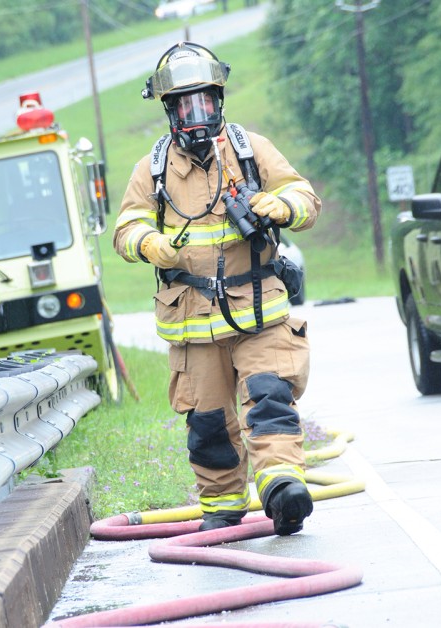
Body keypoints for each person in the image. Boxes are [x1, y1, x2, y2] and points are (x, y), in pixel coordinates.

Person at [113, 42, 321, 535]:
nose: (196, 113)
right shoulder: (153, 169)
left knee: (269, 400)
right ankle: (224, 509)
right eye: (185, 104)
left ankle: (282, 488)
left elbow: (305, 195)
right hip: (190, 323)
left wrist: (282, 206)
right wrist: (149, 243)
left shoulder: (250, 150)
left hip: (260, 312)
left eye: (204, 101)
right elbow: (124, 228)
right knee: (208, 427)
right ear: (170, 110)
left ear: (218, 99)